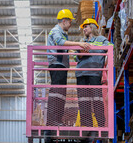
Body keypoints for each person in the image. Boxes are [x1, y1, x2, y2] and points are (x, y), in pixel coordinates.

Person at [45, 9, 91, 143]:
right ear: (64, 21)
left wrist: (77, 51)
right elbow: (59, 43)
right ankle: (53, 122)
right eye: (70, 21)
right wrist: (79, 43)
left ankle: (57, 121)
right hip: (57, 65)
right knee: (57, 94)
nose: (71, 24)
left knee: (60, 94)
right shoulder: (56, 31)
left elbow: (64, 47)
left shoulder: (63, 34)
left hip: (62, 66)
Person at [75, 19, 113, 141]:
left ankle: (101, 125)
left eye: (86, 27)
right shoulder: (82, 42)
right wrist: (82, 49)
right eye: (83, 27)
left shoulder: (101, 39)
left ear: (92, 27)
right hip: (81, 73)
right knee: (83, 101)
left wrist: (93, 47)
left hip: (94, 74)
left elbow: (110, 47)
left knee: (97, 99)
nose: (84, 29)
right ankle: (88, 127)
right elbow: (78, 56)